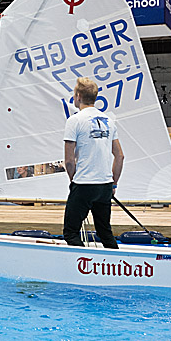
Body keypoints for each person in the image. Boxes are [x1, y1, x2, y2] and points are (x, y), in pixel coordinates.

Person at [62, 77, 123, 249]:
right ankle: (117, 266)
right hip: (105, 185)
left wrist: (74, 180)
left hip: (84, 184)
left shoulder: (74, 121)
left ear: (78, 96)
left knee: (71, 232)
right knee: (105, 232)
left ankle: (82, 266)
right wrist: (113, 184)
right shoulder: (109, 121)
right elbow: (120, 157)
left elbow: (69, 161)